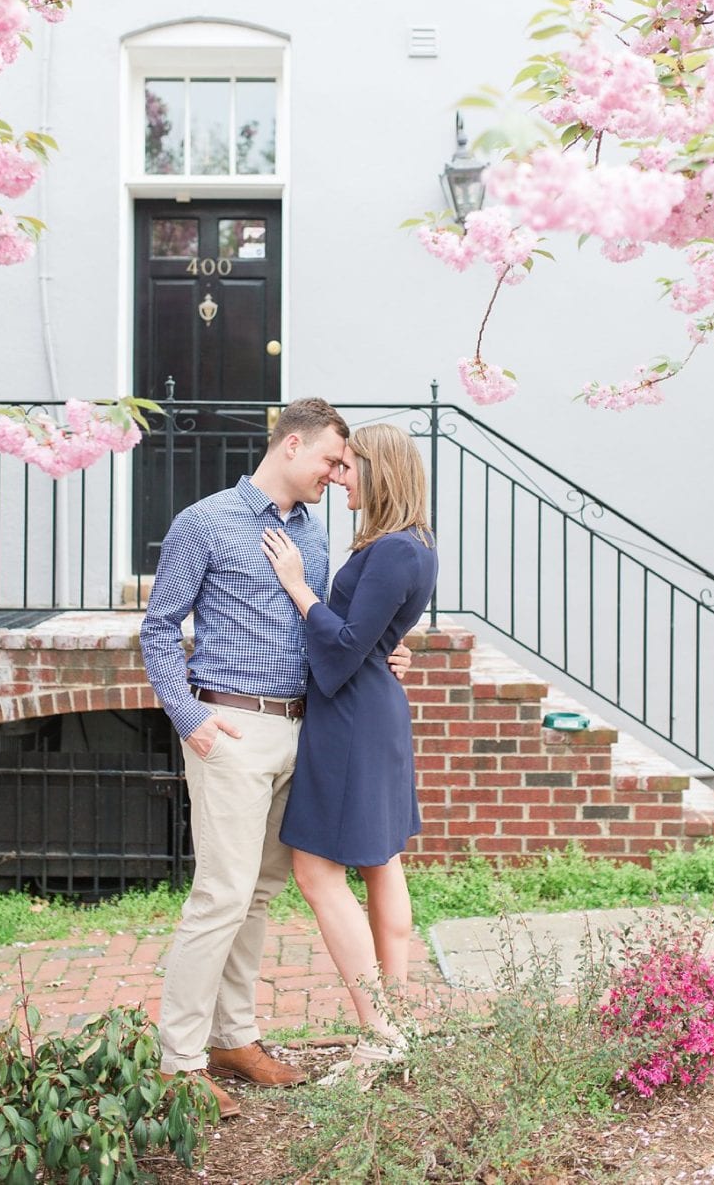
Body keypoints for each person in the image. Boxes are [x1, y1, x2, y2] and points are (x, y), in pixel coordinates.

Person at [140, 398, 411, 1119]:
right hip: (230, 727)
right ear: (292, 446)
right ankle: (179, 1060)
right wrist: (190, 715)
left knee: (258, 892)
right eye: (328, 459)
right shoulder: (204, 522)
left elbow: (326, 626)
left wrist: (382, 648)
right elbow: (160, 627)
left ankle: (234, 1036)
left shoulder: (313, 535)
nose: (335, 472)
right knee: (221, 893)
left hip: (304, 731)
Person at [261, 422, 438, 1079]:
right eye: (334, 465)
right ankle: (394, 1024)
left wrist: (297, 584)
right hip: (375, 709)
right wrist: (383, 640)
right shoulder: (417, 545)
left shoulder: (392, 549)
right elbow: (372, 631)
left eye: (349, 465)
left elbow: (341, 644)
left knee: (316, 870)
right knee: (382, 861)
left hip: (353, 719)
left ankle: (380, 1030)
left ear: (380, 469)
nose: (339, 476)